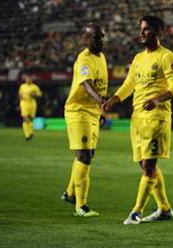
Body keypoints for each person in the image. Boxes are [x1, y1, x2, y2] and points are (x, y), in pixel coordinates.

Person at [101, 16, 173, 225]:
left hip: (157, 117)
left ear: (158, 32)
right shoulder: (138, 58)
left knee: (148, 165)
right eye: (141, 29)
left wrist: (157, 99)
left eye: (146, 29)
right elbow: (129, 84)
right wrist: (114, 99)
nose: (142, 32)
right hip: (137, 117)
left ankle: (136, 211)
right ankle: (164, 209)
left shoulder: (167, 57)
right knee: (145, 166)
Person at [61, 23, 108, 217]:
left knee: (88, 154)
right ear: (86, 39)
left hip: (92, 112)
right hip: (78, 110)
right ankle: (80, 206)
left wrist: (101, 111)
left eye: (102, 36)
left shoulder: (102, 57)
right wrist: (101, 101)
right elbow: (87, 84)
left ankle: (71, 193)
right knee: (84, 156)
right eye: (96, 37)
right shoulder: (83, 59)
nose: (101, 40)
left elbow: (101, 85)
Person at [18, 74, 42, 141]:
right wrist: (20, 96)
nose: (28, 80)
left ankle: (31, 132)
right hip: (24, 104)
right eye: (27, 79)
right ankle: (27, 135)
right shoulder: (22, 86)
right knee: (25, 118)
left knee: (31, 119)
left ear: (31, 80)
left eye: (29, 79)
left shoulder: (35, 87)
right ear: (25, 80)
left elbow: (40, 95)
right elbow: (20, 93)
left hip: (32, 104)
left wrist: (33, 95)